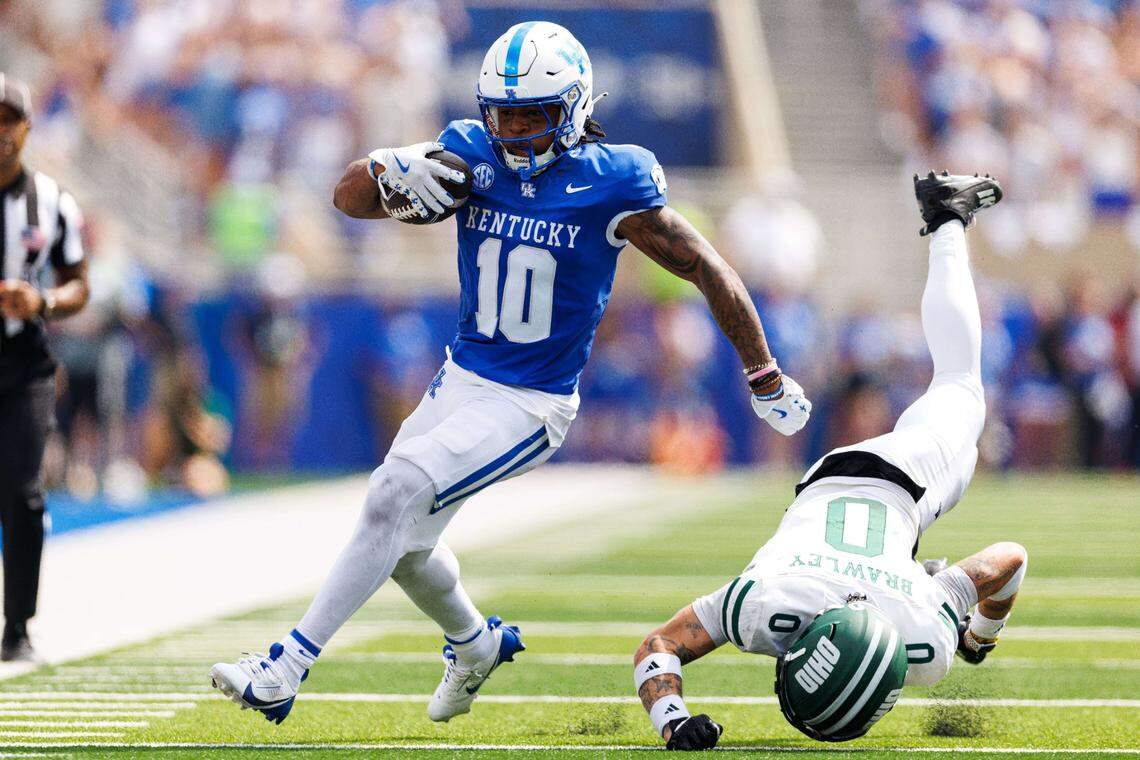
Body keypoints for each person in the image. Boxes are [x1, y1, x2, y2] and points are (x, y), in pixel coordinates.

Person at [210, 21, 812, 724]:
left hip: (530, 403)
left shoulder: (613, 180)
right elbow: (348, 198)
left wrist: (763, 371)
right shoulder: (470, 152)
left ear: (576, 108)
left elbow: (708, 268)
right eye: (504, 115)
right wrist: (391, 170)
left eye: (534, 116)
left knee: (392, 495)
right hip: (459, 378)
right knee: (403, 542)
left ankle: (285, 666)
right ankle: (474, 643)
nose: (516, 131)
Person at [631, 172, 1028, 750]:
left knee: (962, 384)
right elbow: (655, 649)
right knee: (959, 384)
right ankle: (917, 565)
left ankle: (948, 220)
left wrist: (977, 636)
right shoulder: (764, 607)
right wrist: (672, 722)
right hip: (825, 480)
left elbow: (1010, 560)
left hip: (905, 485)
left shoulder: (923, 641)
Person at [0, 74, 89, 662]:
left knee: (22, 490)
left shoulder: (52, 201)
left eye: (7, 120)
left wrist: (43, 302)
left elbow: (79, 284)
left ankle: (17, 628)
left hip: (23, 361)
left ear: (26, 129)